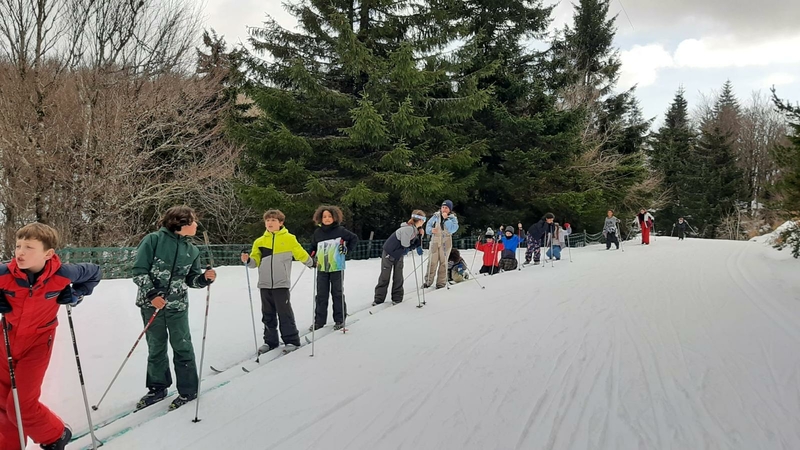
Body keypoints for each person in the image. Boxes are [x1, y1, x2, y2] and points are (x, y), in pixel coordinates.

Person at [0, 223, 101, 450]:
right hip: (5, 339)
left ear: (48, 253)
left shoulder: (63, 274)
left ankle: (56, 434)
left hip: (38, 343)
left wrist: (76, 293)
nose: (20, 252)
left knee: (21, 405)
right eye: (18, 246)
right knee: (2, 401)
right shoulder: (5, 274)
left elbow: (95, 272)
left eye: (29, 247)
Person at [133, 206, 217, 412]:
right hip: (151, 305)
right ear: (181, 223)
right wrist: (151, 294)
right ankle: (157, 388)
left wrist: (204, 280)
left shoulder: (192, 249)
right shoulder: (153, 240)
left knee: (182, 345)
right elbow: (138, 270)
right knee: (156, 347)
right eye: (193, 221)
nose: (196, 224)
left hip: (177, 307)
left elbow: (192, 280)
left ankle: (188, 390)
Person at [242, 209, 313, 355]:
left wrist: (311, 262)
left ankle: (291, 340)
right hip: (264, 284)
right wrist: (248, 260)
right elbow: (255, 261)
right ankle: (270, 341)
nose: (270, 223)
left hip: (281, 283)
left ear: (281, 223)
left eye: (273, 220)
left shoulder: (289, 238)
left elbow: (299, 252)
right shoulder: (259, 242)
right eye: (267, 220)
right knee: (267, 314)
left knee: (284, 312)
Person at [309, 205, 358, 331]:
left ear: (335, 217)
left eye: (329, 216)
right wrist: (311, 255)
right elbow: (313, 246)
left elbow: (354, 238)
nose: (327, 219)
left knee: (337, 292)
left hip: (336, 266)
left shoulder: (340, 230)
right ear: (320, 218)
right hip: (322, 267)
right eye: (324, 216)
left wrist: (347, 250)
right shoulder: (318, 232)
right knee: (321, 294)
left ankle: (340, 319)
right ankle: (319, 321)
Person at [374, 211, 426, 305]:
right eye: (424, 220)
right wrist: (414, 246)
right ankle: (379, 299)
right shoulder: (408, 229)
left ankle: (397, 298)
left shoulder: (415, 229)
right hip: (390, 252)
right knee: (385, 275)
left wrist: (419, 237)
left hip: (398, 253)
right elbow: (405, 244)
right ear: (420, 220)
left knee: (398, 275)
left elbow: (411, 243)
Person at [424, 200, 459, 289]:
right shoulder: (435, 216)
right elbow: (428, 225)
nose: (444, 209)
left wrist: (446, 219)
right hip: (435, 241)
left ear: (450, 209)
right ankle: (428, 281)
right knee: (432, 261)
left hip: (446, 242)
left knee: (443, 263)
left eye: (446, 208)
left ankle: (441, 283)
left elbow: (452, 229)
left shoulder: (452, 218)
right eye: (443, 207)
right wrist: (430, 230)